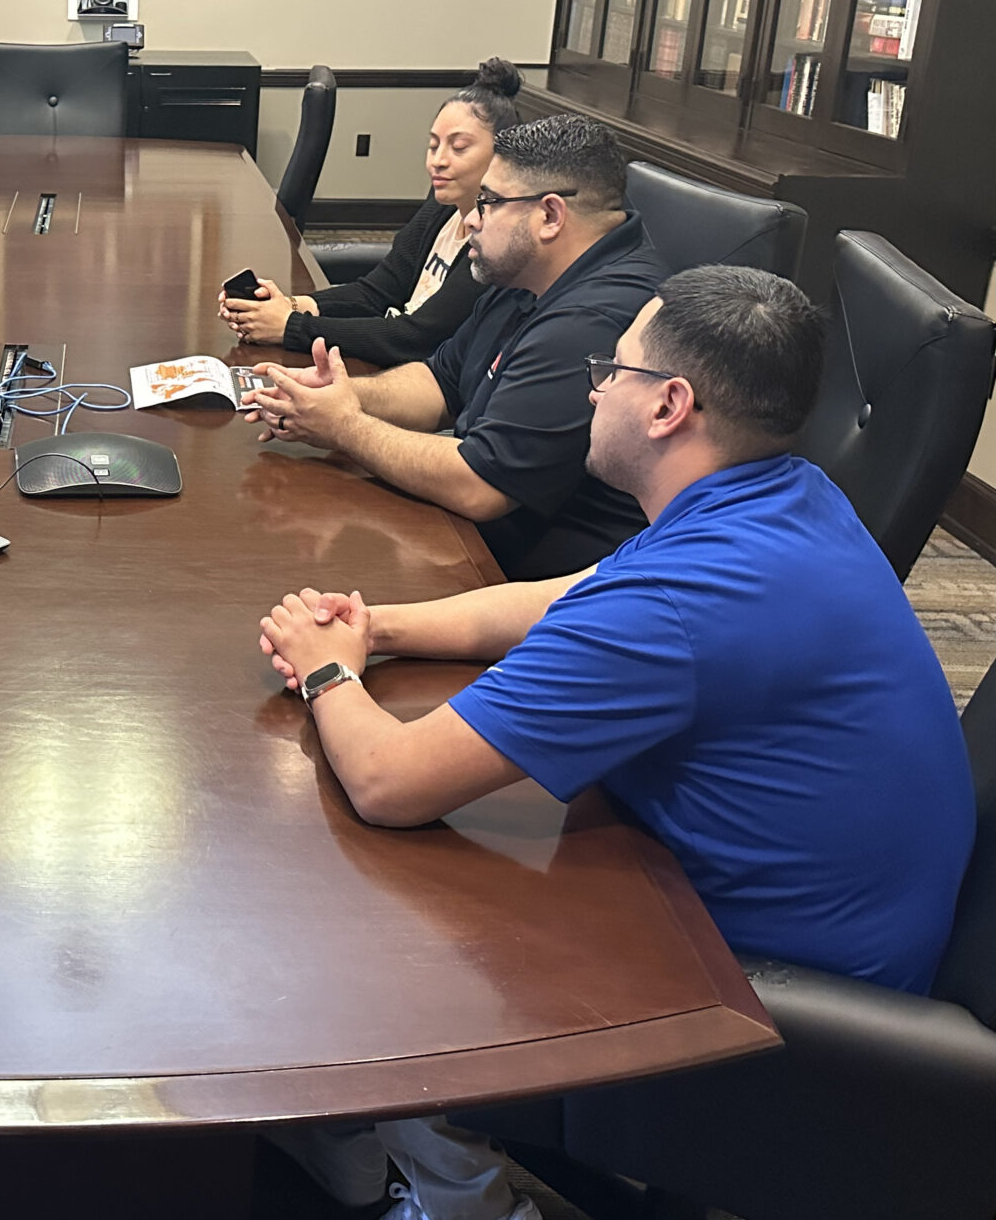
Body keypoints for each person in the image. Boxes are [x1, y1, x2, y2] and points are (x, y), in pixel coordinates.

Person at [257, 266, 975, 1220]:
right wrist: (374, 626)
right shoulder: (784, 495)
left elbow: (390, 780)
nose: (594, 387)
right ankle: (356, 1145)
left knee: (359, 921)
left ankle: (454, 1195)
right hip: (805, 938)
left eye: (613, 368)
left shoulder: (678, 607)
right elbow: (560, 599)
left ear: (670, 405)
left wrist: (325, 671)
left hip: (763, 1019)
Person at [245, 114, 666, 580]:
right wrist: (337, 396)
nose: (469, 219)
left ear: (549, 216)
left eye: (487, 203)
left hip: (540, 582)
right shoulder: (530, 271)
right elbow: (442, 382)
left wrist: (344, 426)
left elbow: (481, 486)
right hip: (470, 536)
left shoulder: (595, 321)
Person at [220, 59, 524, 366]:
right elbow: (376, 292)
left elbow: (414, 337)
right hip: (380, 358)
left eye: (458, 148)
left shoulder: (496, 245)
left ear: (502, 155)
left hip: (414, 379)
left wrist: (289, 327)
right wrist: (291, 305)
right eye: (433, 146)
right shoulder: (442, 207)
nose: (438, 161)